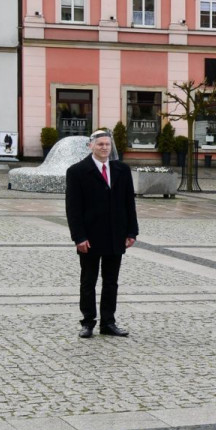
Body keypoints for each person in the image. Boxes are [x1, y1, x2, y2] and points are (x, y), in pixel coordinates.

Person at [65, 130, 138, 339]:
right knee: (88, 281)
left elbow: (129, 203)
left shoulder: (122, 170)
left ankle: (108, 322)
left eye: (107, 144)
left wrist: (132, 231)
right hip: (90, 236)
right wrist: (78, 237)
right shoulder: (77, 171)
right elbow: (73, 208)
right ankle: (87, 322)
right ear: (91, 146)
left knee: (111, 281)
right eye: (100, 144)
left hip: (116, 234)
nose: (104, 147)